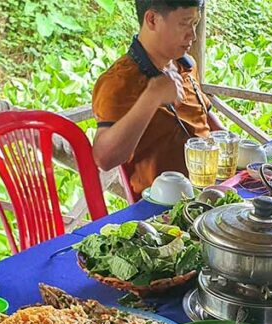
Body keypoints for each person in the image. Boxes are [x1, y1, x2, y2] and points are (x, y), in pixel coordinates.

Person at [91, 0, 223, 197]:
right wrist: (152, 96)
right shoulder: (118, 82)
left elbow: (206, 121)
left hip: (210, 191)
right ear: (152, 19)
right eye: (184, 23)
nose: (192, 36)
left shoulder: (185, 65)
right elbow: (104, 159)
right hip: (162, 209)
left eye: (195, 24)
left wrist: (235, 150)